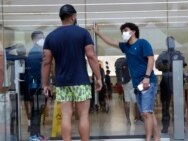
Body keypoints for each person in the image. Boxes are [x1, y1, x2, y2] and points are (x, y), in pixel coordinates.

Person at [42, 4, 102, 141]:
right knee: (83, 115)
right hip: (81, 81)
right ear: (73, 16)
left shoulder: (51, 36)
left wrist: (45, 84)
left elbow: (46, 62)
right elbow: (91, 55)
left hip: (62, 82)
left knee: (66, 115)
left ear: (61, 17)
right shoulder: (83, 33)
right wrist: (98, 77)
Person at [93, 22, 160, 141]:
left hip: (147, 82)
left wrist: (147, 77)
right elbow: (111, 41)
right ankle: (157, 138)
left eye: (126, 30)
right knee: (149, 113)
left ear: (133, 31)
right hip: (137, 85)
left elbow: (151, 59)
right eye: (122, 31)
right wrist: (98, 34)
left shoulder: (143, 43)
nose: (124, 33)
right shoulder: (126, 47)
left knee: (146, 113)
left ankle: (149, 139)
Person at [155, 36, 186, 134]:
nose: (171, 43)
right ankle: (165, 126)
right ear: (166, 43)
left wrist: (171, 65)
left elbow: (183, 64)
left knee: (178, 105)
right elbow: (157, 65)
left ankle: (180, 125)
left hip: (177, 81)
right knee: (165, 105)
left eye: (172, 42)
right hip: (166, 81)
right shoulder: (162, 55)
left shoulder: (179, 54)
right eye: (169, 42)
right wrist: (165, 66)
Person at [25, 31, 48, 141]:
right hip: (36, 86)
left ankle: (37, 134)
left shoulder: (39, 51)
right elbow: (36, 72)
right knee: (35, 110)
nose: (42, 39)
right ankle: (33, 135)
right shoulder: (35, 52)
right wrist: (43, 85)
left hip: (38, 85)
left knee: (38, 110)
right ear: (34, 40)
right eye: (40, 38)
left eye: (43, 37)